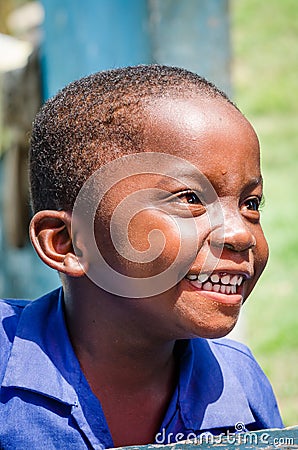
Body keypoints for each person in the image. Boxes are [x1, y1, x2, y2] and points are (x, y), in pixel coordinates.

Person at [0, 65, 283, 449]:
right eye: (190, 199)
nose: (239, 234)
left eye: (250, 203)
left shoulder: (240, 383)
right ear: (66, 242)